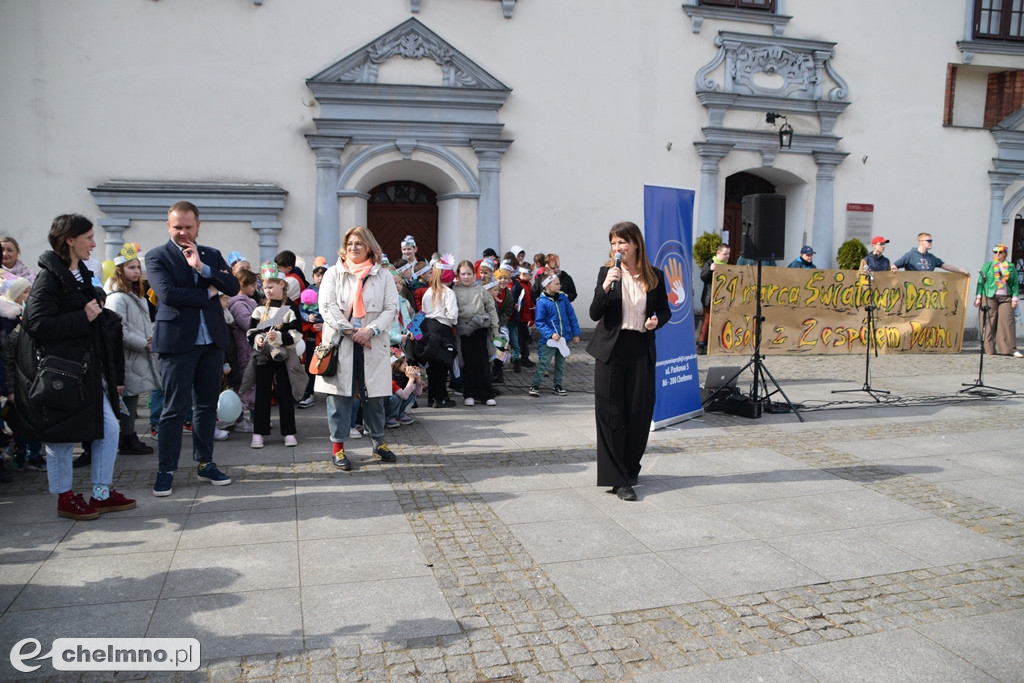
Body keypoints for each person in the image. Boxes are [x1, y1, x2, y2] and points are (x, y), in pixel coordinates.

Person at [21, 214, 136, 519]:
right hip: (63, 372)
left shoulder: (81, 274)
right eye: (88, 237)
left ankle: (100, 493)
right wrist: (82, 316)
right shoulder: (49, 277)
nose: (93, 243)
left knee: (110, 429)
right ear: (69, 240)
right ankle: (65, 497)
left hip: (88, 370)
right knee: (61, 437)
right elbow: (37, 323)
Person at [146, 201, 240, 497]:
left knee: (205, 407)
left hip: (211, 341)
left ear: (198, 225)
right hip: (177, 343)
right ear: (168, 226)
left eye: (188, 227)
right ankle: (166, 470)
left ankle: (205, 463)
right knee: (173, 410)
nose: (183, 232)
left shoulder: (210, 254)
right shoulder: (157, 256)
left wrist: (202, 268)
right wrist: (209, 291)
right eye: (177, 227)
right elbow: (168, 294)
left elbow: (233, 286)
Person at [587, 221, 670, 502]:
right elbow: (595, 312)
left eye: (622, 242)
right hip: (611, 348)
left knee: (639, 412)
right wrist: (607, 284)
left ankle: (629, 467)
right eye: (613, 243)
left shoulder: (654, 275)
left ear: (635, 244)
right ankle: (617, 479)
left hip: (640, 347)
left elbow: (664, 311)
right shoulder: (607, 272)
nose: (617, 248)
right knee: (610, 414)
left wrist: (656, 320)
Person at [315, 226, 399, 472]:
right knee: (340, 397)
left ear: (369, 247)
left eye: (359, 244)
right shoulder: (333, 273)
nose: (353, 247)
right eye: (350, 243)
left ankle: (378, 441)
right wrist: (351, 331)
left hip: (372, 343)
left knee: (373, 396)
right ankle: (338, 447)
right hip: (343, 343)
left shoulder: (382, 275)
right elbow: (327, 306)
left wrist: (370, 331)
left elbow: (391, 309)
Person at [104, 243, 159, 457]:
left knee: (133, 396)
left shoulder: (135, 294)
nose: (136, 271)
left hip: (137, 355)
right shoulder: (117, 297)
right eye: (131, 268)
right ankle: (126, 437)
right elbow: (119, 330)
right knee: (127, 396)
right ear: (120, 270)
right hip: (127, 356)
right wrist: (143, 342)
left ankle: (128, 435)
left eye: (137, 267)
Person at [247, 262, 302, 448]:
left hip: (284, 356)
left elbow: (296, 334)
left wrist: (278, 336)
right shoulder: (259, 308)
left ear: (282, 285)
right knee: (262, 393)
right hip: (263, 356)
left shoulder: (290, 308)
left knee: (285, 393)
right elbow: (251, 332)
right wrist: (258, 340)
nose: (268, 290)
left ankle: (289, 432)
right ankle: (258, 432)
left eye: (271, 286)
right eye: (265, 286)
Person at [453, 260, 499, 407]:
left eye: (469, 274)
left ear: (474, 274)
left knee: (483, 362)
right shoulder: (454, 291)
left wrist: (494, 329)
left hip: (480, 329)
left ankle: (486, 394)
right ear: (458, 275)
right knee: (467, 363)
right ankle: (469, 393)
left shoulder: (480, 290)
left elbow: (491, 309)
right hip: (464, 330)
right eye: (463, 274)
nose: (466, 277)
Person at [529, 273, 580, 397]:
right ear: (547, 285)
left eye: (559, 283)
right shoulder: (542, 302)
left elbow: (571, 315)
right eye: (556, 284)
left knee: (561, 363)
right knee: (544, 362)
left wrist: (575, 333)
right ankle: (535, 385)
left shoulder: (563, 298)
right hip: (550, 340)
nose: (559, 285)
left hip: (564, 338)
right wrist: (551, 334)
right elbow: (540, 322)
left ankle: (558, 385)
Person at [417, 260, 459, 409]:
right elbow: (453, 315)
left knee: (432, 366)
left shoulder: (428, 291)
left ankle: (431, 397)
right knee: (442, 365)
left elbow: (423, 310)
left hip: (428, 328)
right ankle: (440, 398)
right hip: (443, 329)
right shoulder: (448, 292)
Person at [975, 243, 1022, 357]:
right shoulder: (988, 266)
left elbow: (1015, 283)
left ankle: (1009, 349)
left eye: (1000, 252)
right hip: (990, 296)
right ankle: (989, 349)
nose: (997, 254)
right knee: (988, 321)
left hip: (1006, 297)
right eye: (995, 252)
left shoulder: (1010, 267)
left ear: (1005, 254)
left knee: (1007, 322)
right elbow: (981, 282)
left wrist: (1015, 298)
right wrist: (978, 297)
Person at [698, 243, 730, 354]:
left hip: (722, 298)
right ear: (718, 253)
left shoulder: (727, 266)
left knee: (720, 321)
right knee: (707, 320)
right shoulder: (710, 263)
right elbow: (703, 277)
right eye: (725, 254)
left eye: (728, 254)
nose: (727, 256)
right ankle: (701, 344)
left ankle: (718, 344)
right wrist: (711, 270)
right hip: (709, 297)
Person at [892, 233, 970, 274]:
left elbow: (945, 265)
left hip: (928, 293)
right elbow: (895, 265)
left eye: (931, 241)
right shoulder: (910, 255)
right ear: (920, 242)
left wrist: (960, 270)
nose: (931, 243)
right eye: (928, 241)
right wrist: (894, 269)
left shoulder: (931, 257)